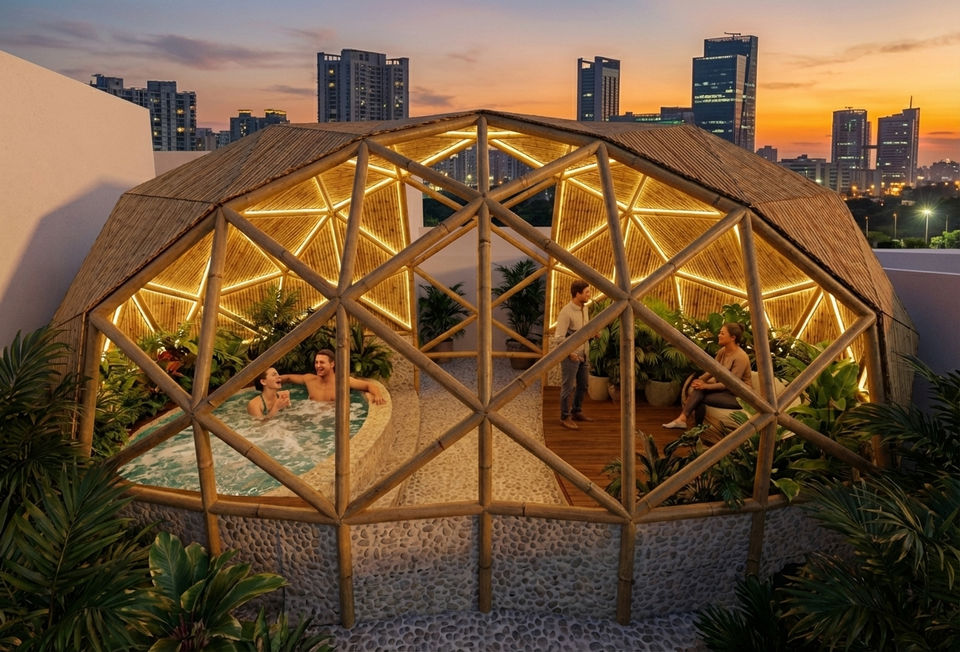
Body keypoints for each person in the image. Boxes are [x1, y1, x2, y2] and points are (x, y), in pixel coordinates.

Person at [663, 322, 752, 429]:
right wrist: (700, 380)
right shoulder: (723, 351)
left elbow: (731, 385)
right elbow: (713, 370)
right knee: (699, 391)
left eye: (722, 333)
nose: (719, 335)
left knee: (700, 396)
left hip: (739, 397)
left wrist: (705, 386)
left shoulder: (740, 357)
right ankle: (689, 424)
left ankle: (688, 424)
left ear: (733, 337)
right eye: (720, 332)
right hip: (725, 392)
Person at [279, 349, 386, 405]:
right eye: (316, 362)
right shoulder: (309, 379)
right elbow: (288, 378)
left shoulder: (343, 381)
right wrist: (275, 379)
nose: (318, 366)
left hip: (331, 424)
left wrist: (377, 395)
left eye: (322, 363)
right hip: (311, 420)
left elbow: (369, 385)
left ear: (332, 364)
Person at [555, 279, 594, 430]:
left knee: (583, 385)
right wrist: (570, 352)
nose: (589, 295)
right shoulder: (566, 312)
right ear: (577, 294)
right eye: (587, 292)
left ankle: (577, 411)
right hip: (571, 356)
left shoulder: (584, 308)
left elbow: (583, 330)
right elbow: (559, 338)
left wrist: (592, 334)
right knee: (568, 387)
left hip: (584, 353)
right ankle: (565, 417)